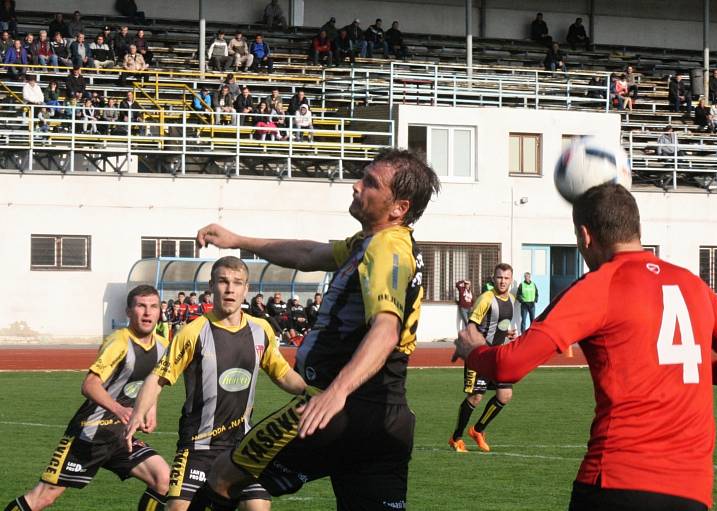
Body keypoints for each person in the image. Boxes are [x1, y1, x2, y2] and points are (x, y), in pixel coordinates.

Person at [454, 183, 717, 511]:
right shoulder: (694, 284)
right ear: (636, 228)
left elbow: (510, 365)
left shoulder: (599, 286)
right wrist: (679, 369)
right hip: (692, 491)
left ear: (585, 236)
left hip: (617, 482)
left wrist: (473, 350)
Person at [187, 149, 440, 510]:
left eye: (370, 182)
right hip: (388, 417)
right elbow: (308, 254)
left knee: (223, 479)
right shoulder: (372, 243)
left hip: (336, 409)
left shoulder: (386, 247)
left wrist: (336, 393)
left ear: (398, 207)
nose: (356, 185)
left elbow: (387, 329)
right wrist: (240, 241)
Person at [124, 257, 306, 511]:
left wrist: (314, 395)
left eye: (237, 283)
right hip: (198, 445)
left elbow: (284, 374)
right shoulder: (194, 332)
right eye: (223, 281)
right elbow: (157, 377)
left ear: (246, 288)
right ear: (211, 286)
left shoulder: (260, 329)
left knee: (258, 506)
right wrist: (136, 415)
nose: (230, 289)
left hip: (242, 448)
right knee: (178, 508)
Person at [3, 285, 172, 511]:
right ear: (128, 312)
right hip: (91, 433)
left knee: (163, 479)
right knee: (43, 497)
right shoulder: (119, 342)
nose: (148, 313)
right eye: (141, 306)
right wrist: (119, 409)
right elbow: (90, 384)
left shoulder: (162, 346)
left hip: (122, 437)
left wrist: (150, 410)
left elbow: (153, 383)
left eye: (153, 307)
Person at [449, 263, 516, 453]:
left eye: (506, 278)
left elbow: (497, 325)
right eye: (499, 277)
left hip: (497, 356)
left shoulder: (511, 299)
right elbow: (472, 327)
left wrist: (507, 333)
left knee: (505, 395)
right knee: (475, 397)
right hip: (479, 356)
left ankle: (478, 430)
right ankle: (456, 438)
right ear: (493, 279)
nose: (502, 281)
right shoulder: (485, 299)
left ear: (511, 280)